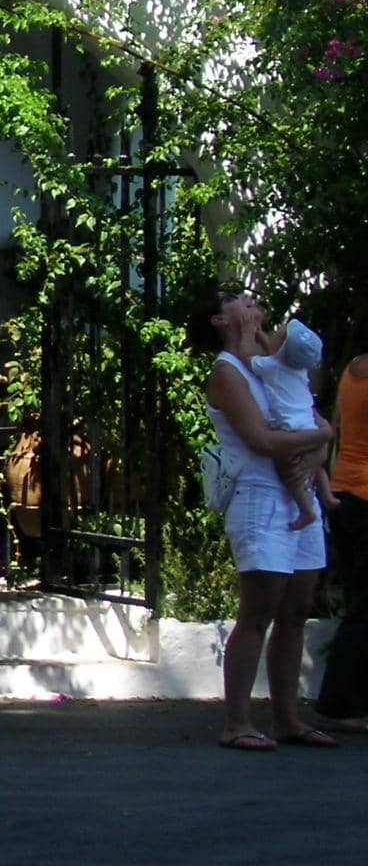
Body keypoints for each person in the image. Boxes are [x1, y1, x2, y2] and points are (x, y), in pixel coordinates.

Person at [193, 285, 339, 750]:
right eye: (236, 300)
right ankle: (237, 723)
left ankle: (287, 719)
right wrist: (322, 438)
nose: (249, 303)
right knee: (258, 612)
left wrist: (317, 447)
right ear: (219, 320)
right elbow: (261, 440)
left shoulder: (274, 361)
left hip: (299, 493)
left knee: (296, 609)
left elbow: (307, 415)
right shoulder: (227, 371)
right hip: (260, 498)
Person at [314, 332, 368, 732]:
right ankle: (340, 703)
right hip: (365, 495)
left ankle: (347, 701)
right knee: (364, 607)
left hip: (346, 492)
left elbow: (338, 427)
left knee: (358, 601)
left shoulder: (353, 370)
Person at [255, 319, 339, 531]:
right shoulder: (299, 369)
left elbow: (249, 360)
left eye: (278, 334)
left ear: (283, 347)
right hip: (310, 423)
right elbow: (275, 353)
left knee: (289, 470)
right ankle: (327, 494)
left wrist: (249, 339)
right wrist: (264, 341)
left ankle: (305, 510)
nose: (274, 334)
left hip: (291, 428)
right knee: (315, 466)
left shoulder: (270, 366)